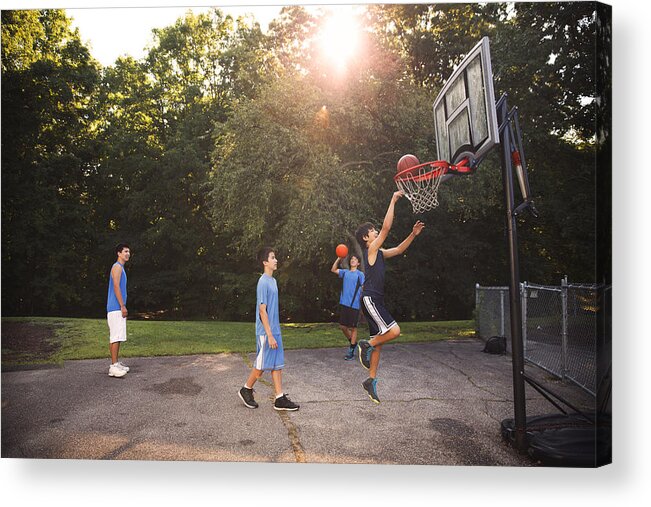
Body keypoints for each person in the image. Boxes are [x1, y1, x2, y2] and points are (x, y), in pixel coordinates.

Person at [355, 191, 425, 403]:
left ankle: (371, 380)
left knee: (380, 343)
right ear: (366, 238)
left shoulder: (380, 252)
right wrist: (393, 200)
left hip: (374, 300)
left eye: (375, 230)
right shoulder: (371, 249)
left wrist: (412, 235)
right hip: (370, 299)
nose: (376, 232)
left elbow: (399, 249)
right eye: (372, 231)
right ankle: (365, 344)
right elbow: (386, 228)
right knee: (394, 331)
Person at [238, 247, 299, 411]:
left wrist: (275, 332)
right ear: (265, 262)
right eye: (272, 257)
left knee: (277, 365)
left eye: (275, 257)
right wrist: (270, 335)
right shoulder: (263, 281)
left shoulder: (273, 281)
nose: (276, 260)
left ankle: (280, 398)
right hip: (266, 332)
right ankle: (246, 388)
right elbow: (262, 310)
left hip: (274, 330)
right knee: (261, 364)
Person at [331, 253, 365, 360]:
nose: (353, 260)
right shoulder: (345, 272)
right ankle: (353, 343)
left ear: (358, 263)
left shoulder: (360, 274)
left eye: (355, 259)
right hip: (344, 303)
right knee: (343, 327)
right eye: (352, 259)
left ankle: (351, 350)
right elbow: (333, 269)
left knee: (353, 328)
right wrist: (339, 258)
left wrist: (363, 304)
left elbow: (364, 289)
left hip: (354, 305)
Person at [106, 243, 131, 378]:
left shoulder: (121, 268)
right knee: (115, 336)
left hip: (117, 307)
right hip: (115, 307)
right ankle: (113, 366)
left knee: (118, 336)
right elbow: (116, 286)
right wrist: (122, 305)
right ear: (119, 253)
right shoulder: (117, 267)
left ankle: (116, 364)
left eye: (129, 252)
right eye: (125, 251)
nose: (128, 254)